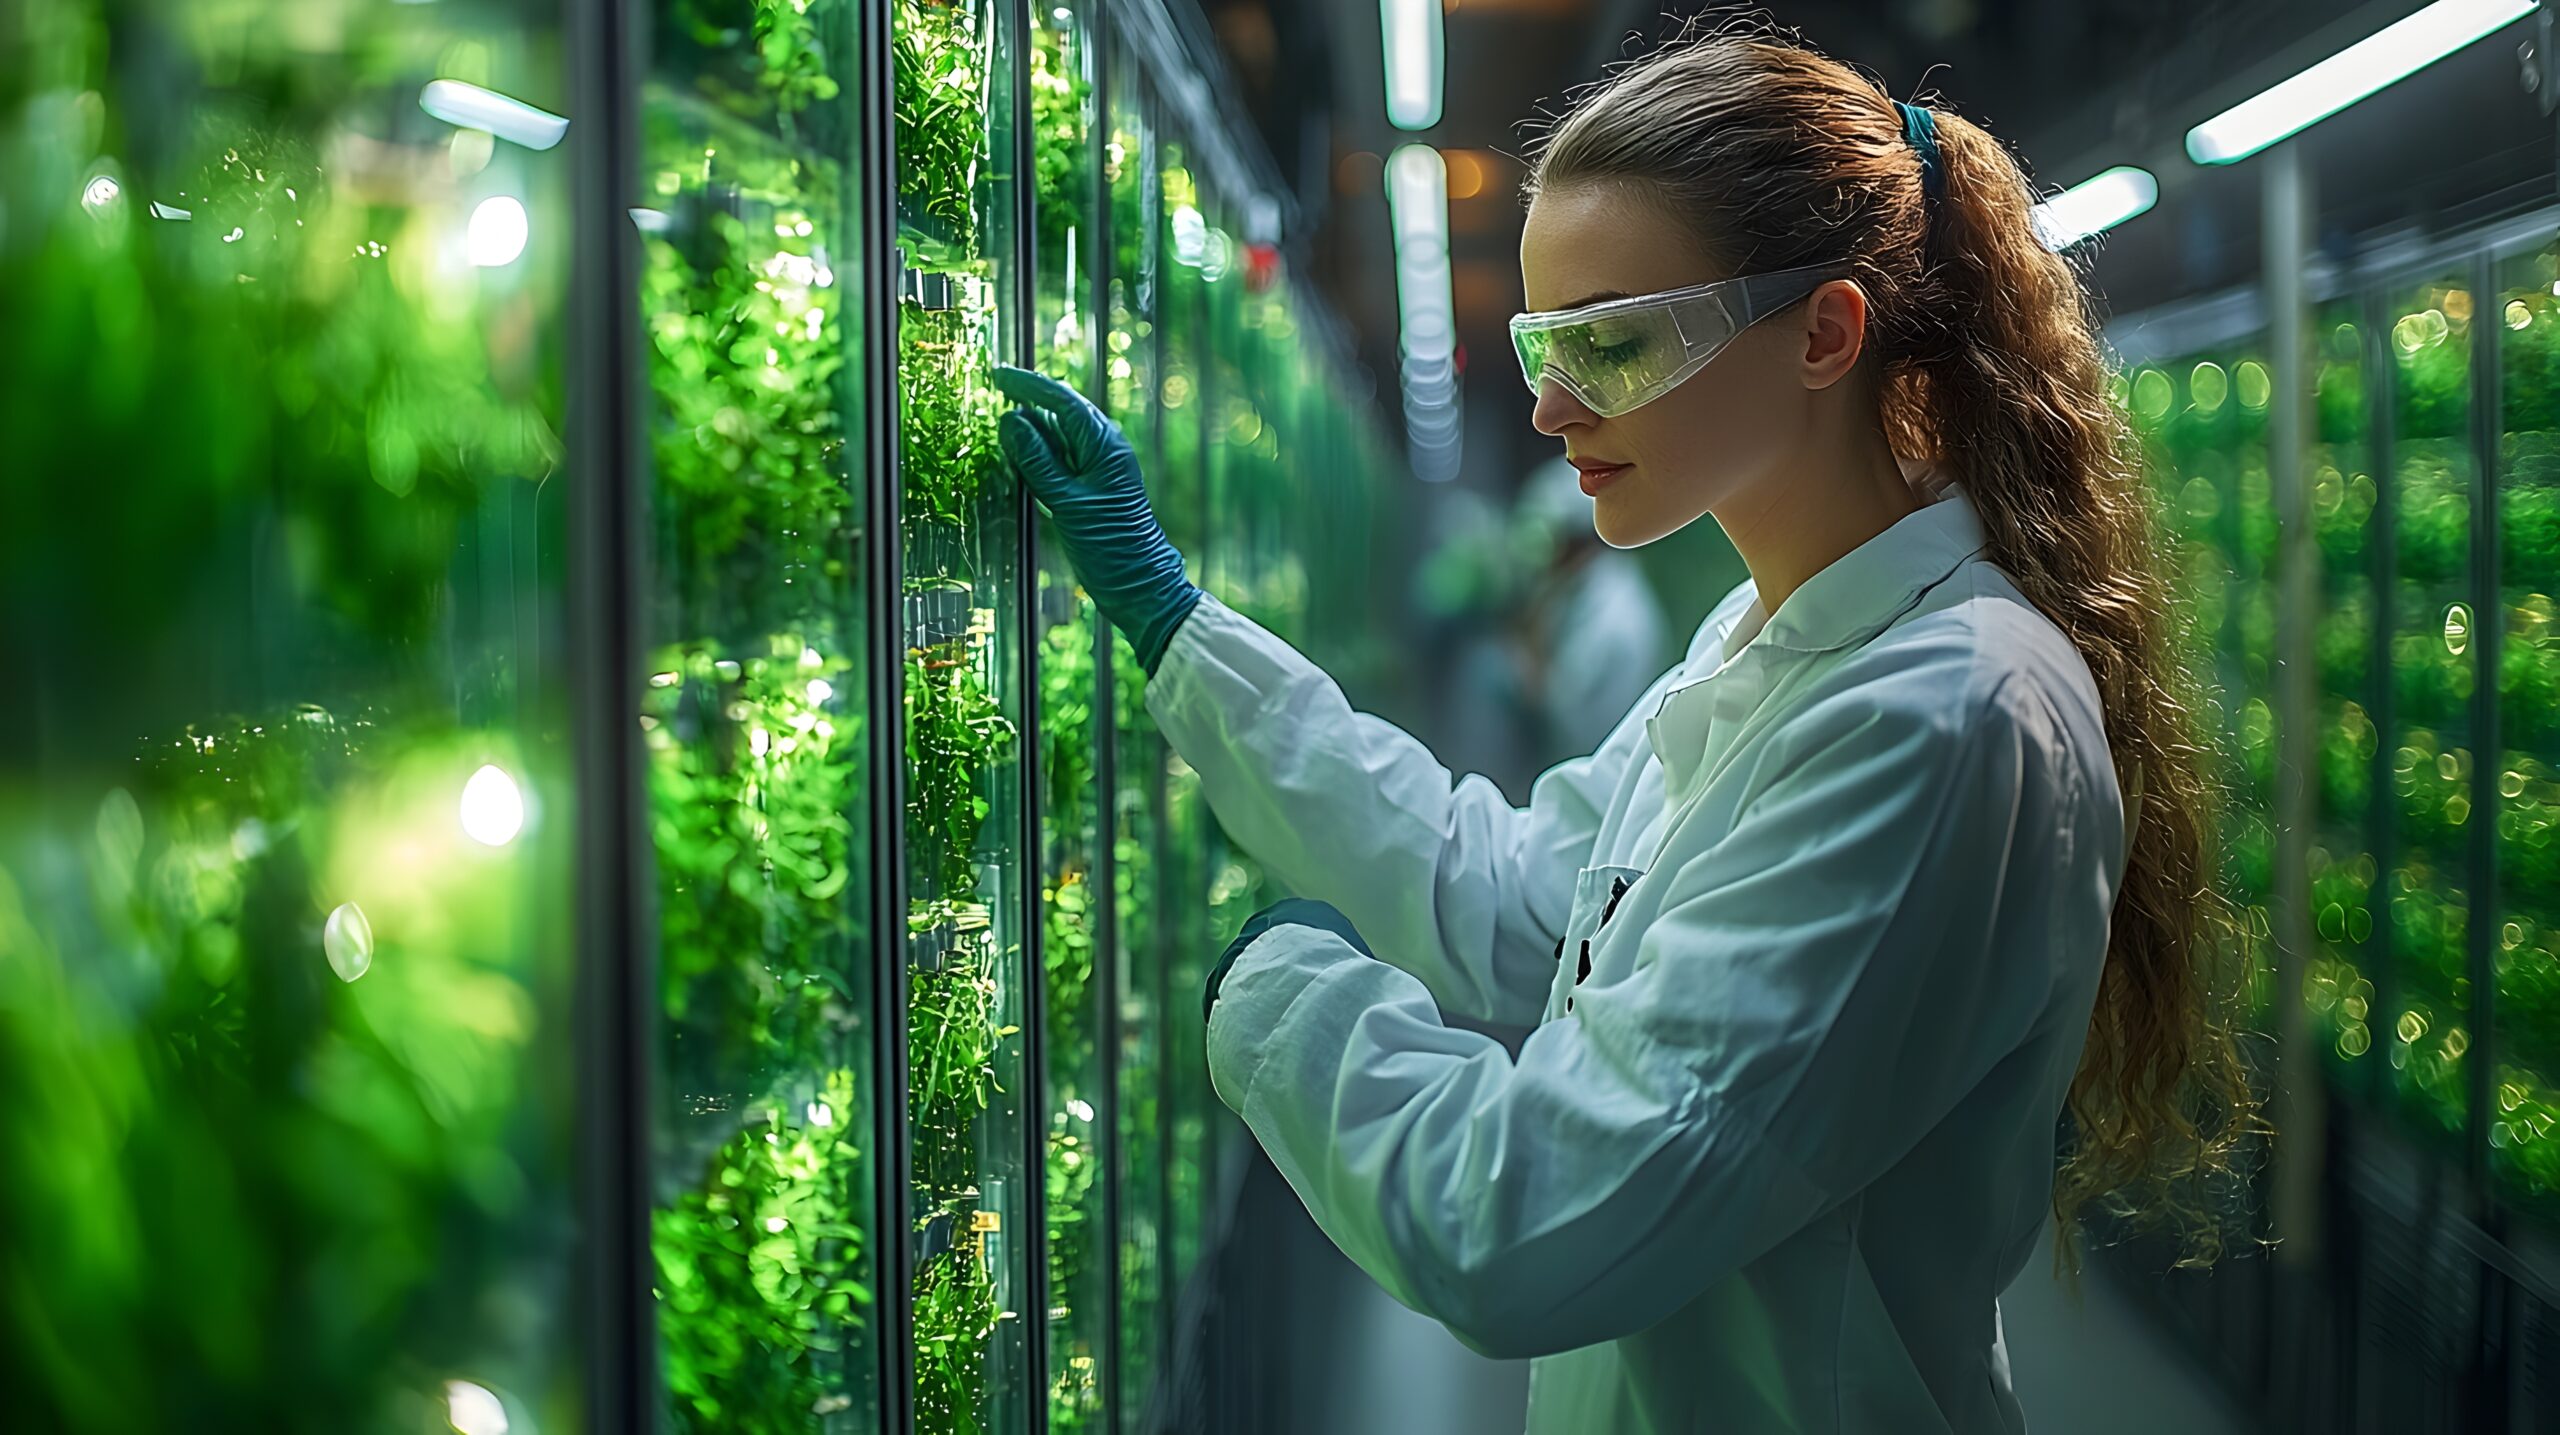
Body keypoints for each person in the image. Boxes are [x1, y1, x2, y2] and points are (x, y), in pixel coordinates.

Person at [993, 27, 2254, 1435]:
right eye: (1543, 342)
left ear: (1824, 333)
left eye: (1612, 342)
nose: (1546, 404)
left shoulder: (1948, 713)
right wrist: (1178, 629)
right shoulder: (1759, 642)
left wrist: (1275, 993)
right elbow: (1520, 895)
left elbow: (1527, 1219)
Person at [1510, 456, 1671, 764]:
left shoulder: (1616, 618)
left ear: (1575, 542)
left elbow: (1572, 721)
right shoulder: (1581, 595)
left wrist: (1529, 657)